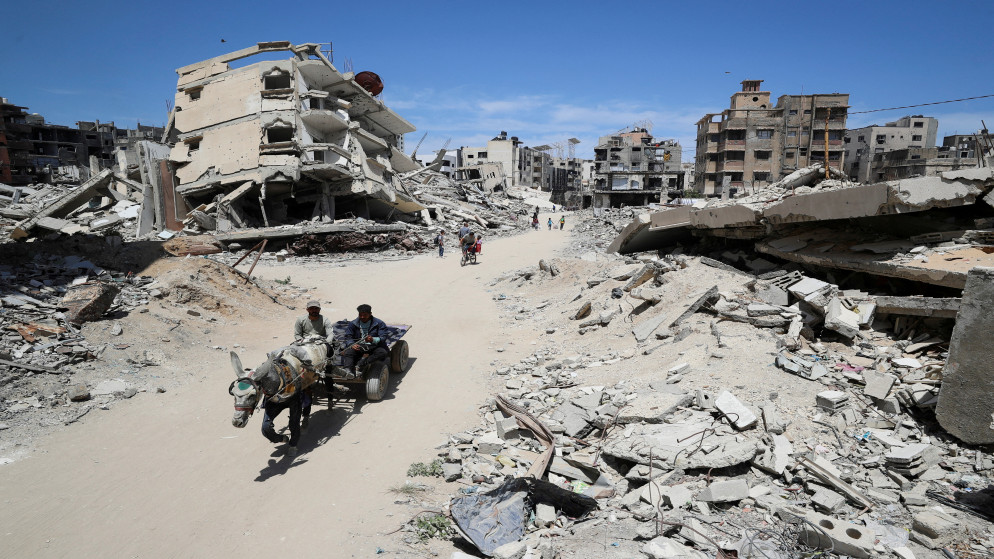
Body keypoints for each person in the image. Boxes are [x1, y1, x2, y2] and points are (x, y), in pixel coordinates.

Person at [292, 300, 334, 427]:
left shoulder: (325, 320)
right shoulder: (300, 320)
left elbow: (330, 334)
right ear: (307, 310)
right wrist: (302, 341)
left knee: (328, 371)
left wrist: (325, 343)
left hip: (320, 344)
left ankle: (330, 398)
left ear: (319, 310)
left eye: (316, 309)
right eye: (311, 309)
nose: (314, 311)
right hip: (305, 344)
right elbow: (297, 335)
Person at [341, 304, 389, 377]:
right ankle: (347, 371)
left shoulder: (379, 323)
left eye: (365, 315)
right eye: (360, 315)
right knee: (348, 352)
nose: (362, 317)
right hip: (359, 346)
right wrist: (352, 344)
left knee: (382, 353)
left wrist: (373, 339)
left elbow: (383, 337)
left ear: (370, 314)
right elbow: (348, 336)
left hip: (374, 346)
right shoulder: (353, 324)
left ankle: (361, 364)